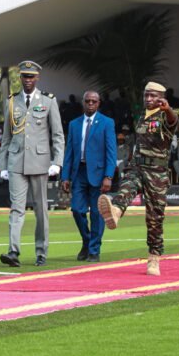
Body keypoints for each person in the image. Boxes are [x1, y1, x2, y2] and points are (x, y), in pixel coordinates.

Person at [98, 82, 179, 275]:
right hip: (138, 165)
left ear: (161, 97)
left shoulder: (167, 114)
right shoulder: (141, 116)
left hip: (157, 172)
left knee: (155, 218)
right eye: (146, 95)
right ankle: (115, 211)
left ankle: (153, 258)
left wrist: (168, 109)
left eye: (153, 96)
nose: (148, 99)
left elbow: (174, 124)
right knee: (127, 187)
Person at [0, 61, 64, 267]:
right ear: (20, 78)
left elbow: (58, 135)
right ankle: (13, 251)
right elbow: (6, 138)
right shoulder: (11, 101)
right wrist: (3, 165)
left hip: (40, 161)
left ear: (37, 78)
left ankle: (41, 251)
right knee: (16, 209)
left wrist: (57, 162)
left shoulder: (48, 101)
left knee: (40, 209)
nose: (27, 80)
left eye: (31, 77)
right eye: (24, 76)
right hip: (16, 161)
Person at [61, 91, 116, 262]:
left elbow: (111, 151)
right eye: (87, 101)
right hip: (79, 172)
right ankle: (87, 241)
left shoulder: (107, 123)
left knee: (97, 214)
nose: (90, 104)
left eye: (94, 101)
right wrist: (65, 176)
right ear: (83, 103)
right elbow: (69, 152)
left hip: (99, 174)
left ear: (99, 103)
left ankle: (94, 250)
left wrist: (108, 176)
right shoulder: (74, 124)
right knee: (77, 210)